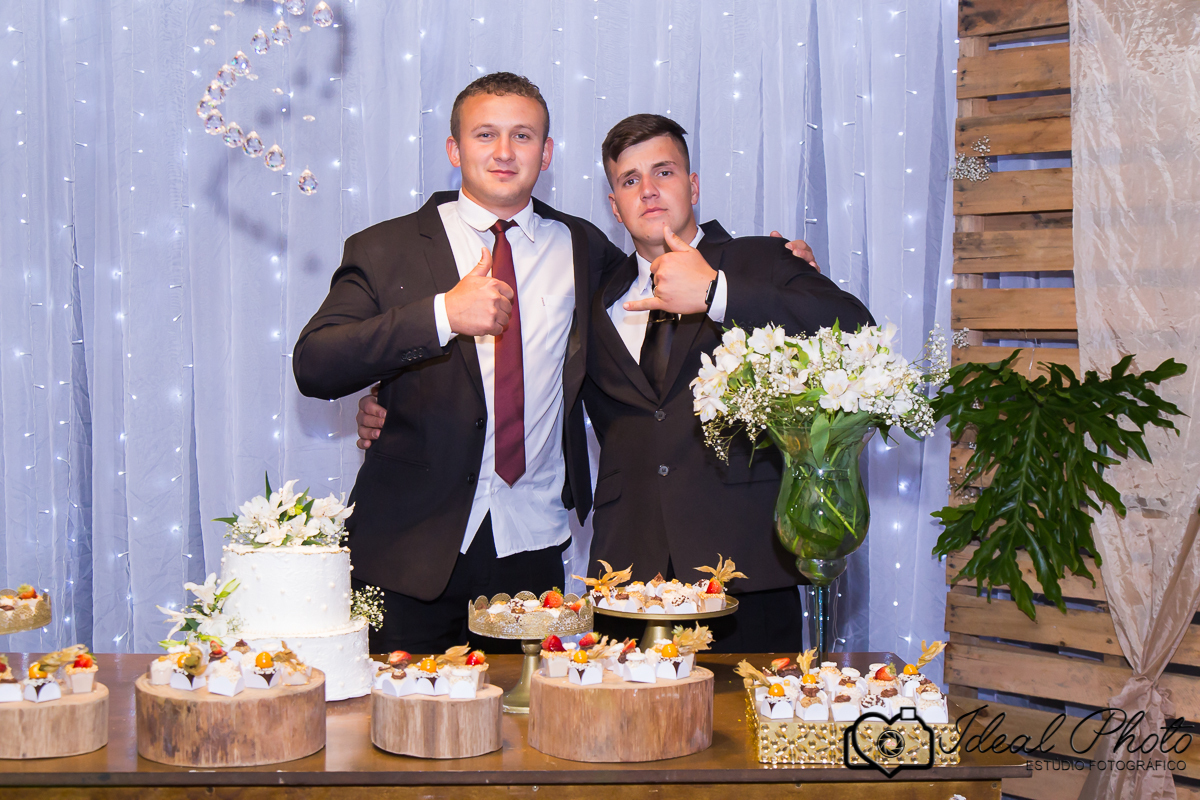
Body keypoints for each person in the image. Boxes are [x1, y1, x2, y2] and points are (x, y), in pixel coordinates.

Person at [294, 73, 625, 653]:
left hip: (531, 547)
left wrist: (769, 266)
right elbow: (315, 364)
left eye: (523, 135)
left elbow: (658, 282)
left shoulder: (582, 246)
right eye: (485, 134)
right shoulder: (385, 247)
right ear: (454, 149)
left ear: (546, 153)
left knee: (525, 712)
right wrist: (442, 314)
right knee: (394, 709)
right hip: (406, 551)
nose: (504, 152)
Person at [581, 114, 874, 651]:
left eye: (664, 172)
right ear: (615, 205)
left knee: (755, 707)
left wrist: (718, 294)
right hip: (626, 571)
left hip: (746, 562)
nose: (648, 190)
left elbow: (856, 329)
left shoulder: (758, 259)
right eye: (630, 180)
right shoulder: (596, 294)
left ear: (693, 186)